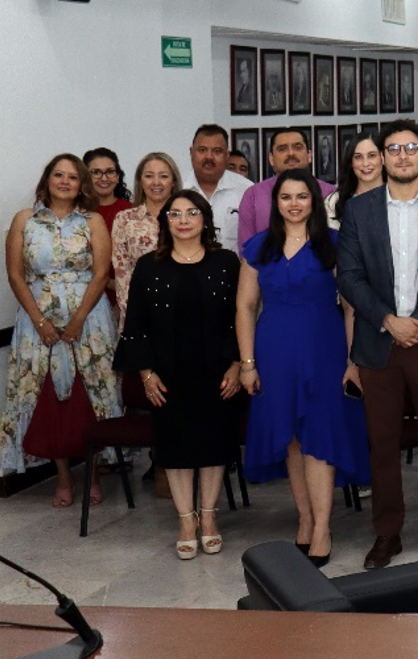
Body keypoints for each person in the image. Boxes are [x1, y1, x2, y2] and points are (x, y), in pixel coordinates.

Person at [336, 120, 418, 569]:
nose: (402, 156)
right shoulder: (358, 210)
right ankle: (386, 534)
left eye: (410, 148)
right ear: (382, 157)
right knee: (383, 444)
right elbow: (351, 277)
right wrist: (388, 320)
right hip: (379, 343)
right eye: (392, 149)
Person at [238, 168, 367, 566]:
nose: (294, 204)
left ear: (315, 201)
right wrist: (247, 364)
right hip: (274, 352)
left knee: (320, 437)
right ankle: (305, 520)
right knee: (291, 439)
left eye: (302, 196)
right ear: (275, 204)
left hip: (323, 349)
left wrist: (352, 361)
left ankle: (324, 528)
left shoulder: (334, 243)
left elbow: (350, 308)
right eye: (286, 197)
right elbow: (244, 306)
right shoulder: (260, 246)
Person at [115, 191, 242, 559]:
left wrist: (237, 364)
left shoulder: (226, 262)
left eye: (191, 213)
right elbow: (136, 324)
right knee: (176, 447)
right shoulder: (149, 266)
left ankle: (209, 517)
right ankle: (186, 520)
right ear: (165, 221)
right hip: (167, 374)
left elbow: (241, 318)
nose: (183, 220)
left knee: (213, 446)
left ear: (205, 219)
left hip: (218, 370)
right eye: (175, 213)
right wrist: (146, 373)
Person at [2, 155, 124, 505]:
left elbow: (101, 274)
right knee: (48, 399)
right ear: (47, 179)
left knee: (93, 394)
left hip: (89, 319)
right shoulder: (24, 220)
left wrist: (78, 319)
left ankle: (95, 471)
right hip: (35, 319)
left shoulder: (93, 221)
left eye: (73, 177)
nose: (65, 182)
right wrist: (40, 321)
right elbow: (15, 275)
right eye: (59, 175)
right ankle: (63, 476)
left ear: (81, 184)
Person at [111, 153, 182, 329]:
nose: (156, 182)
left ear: (173, 181)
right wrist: (138, 312)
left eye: (163, 176)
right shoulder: (125, 219)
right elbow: (122, 271)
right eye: (149, 176)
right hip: (138, 315)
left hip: (182, 311)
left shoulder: (186, 218)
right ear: (140, 182)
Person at [239, 128, 337, 249]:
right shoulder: (253, 195)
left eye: (297, 147)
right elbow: (247, 249)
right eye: (282, 149)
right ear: (271, 159)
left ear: (309, 155)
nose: (291, 153)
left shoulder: (331, 193)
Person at [181, 126, 252, 250]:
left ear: (227, 155)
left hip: (235, 268)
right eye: (202, 150)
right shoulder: (178, 188)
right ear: (191, 153)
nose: (209, 157)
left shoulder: (247, 190)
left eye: (217, 151)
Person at [328, 134, 384, 230]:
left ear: (383, 158)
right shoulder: (335, 201)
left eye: (372, 156)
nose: (365, 163)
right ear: (351, 162)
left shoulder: (396, 197)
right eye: (358, 157)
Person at [83, 148, 132, 231]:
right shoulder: (76, 212)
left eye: (110, 172)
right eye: (96, 172)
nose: (104, 178)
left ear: (117, 176)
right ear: (85, 176)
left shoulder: (132, 211)